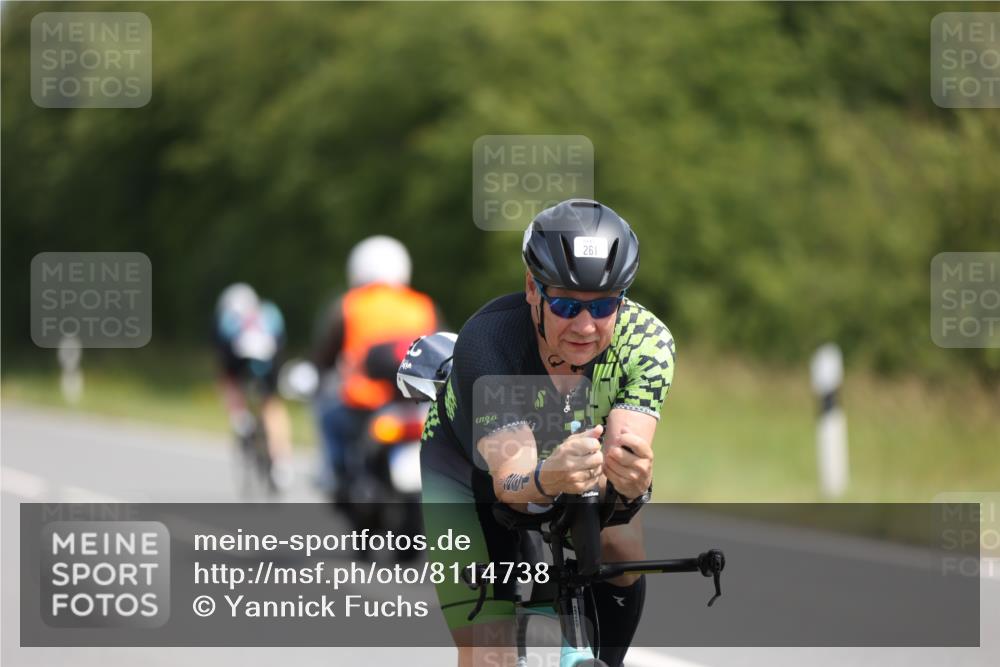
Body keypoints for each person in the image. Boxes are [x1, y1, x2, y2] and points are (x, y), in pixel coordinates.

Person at [419, 199, 675, 667]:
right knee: (489, 651)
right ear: (532, 290)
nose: (585, 325)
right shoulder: (489, 341)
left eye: (603, 306)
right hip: (467, 471)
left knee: (621, 542)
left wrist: (630, 477)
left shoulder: (648, 343)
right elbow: (512, 483)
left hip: (571, 462)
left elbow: (626, 452)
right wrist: (551, 476)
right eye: (565, 305)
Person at [312, 235, 441, 499]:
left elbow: (325, 356)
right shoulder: (422, 305)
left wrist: (318, 373)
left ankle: (337, 476)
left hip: (364, 402)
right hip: (417, 400)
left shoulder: (349, 305)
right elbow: (444, 348)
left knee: (327, 417)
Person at [213, 282, 295, 490]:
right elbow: (281, 340)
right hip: (269, 358)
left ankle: (240, 419)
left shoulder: (227, 318)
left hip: (237, 357)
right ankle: (281, 462)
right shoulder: (269, 312)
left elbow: (221, 352)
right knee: (272, 404)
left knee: (229, 381)